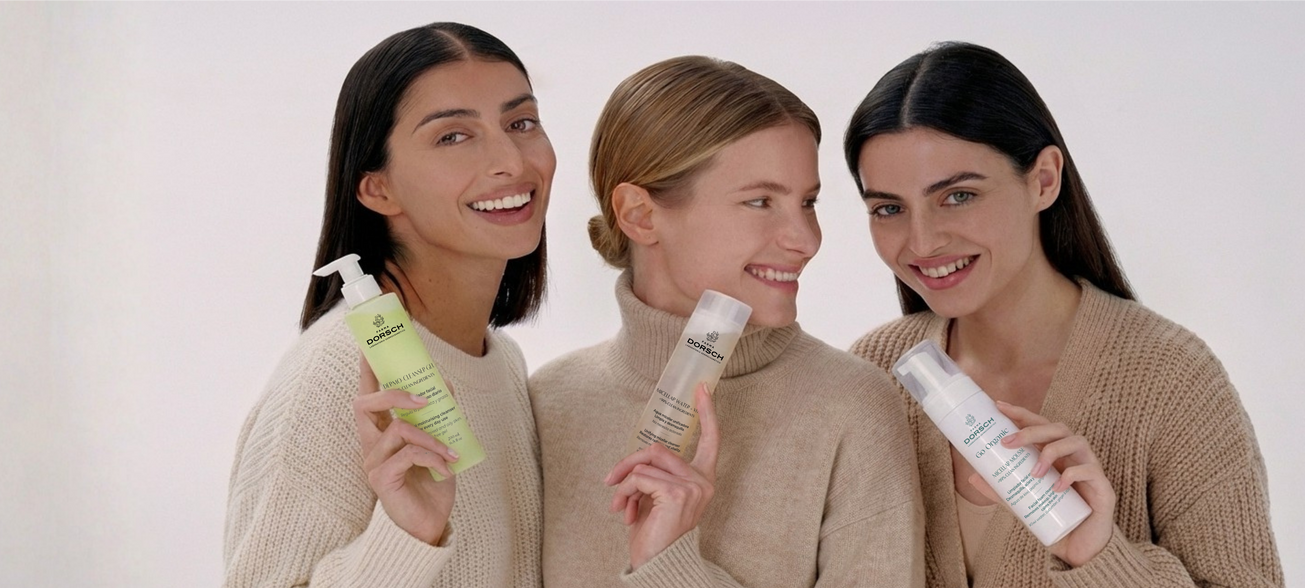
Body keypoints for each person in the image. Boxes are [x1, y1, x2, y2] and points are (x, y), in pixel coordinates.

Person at [844, 42, 1284, 587]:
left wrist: (1098, 556)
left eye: (958, 196)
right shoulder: (874, 375)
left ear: (1044, 179)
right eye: (888, 208)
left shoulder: (1170, 379)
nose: (922, 240)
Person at [532, 55, 924, 587]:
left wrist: (671, 569)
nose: (806, 240)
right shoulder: (548, 403)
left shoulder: (851, 408)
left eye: (807, 202)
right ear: (640, 215)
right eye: (760, 201)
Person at [222, 22, 554, 587]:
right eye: (453, 136)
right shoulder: (336, 377)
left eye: (520, 122)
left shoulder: (501, 363)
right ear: (378, 189)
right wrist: (406, 539)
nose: (510, 161)